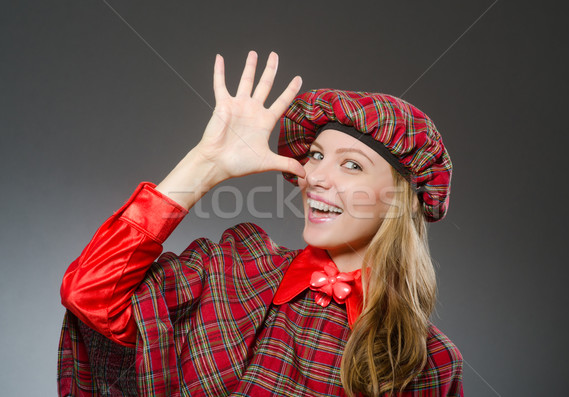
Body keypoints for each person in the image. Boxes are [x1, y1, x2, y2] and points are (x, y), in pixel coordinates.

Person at [58, 51, 463, 396]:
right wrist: (205, 164)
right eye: (317, 155)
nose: (317, 176)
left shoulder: (434, 362)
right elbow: (91, 295)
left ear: (398, 200)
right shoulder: (233, 265)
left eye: (352, 165)